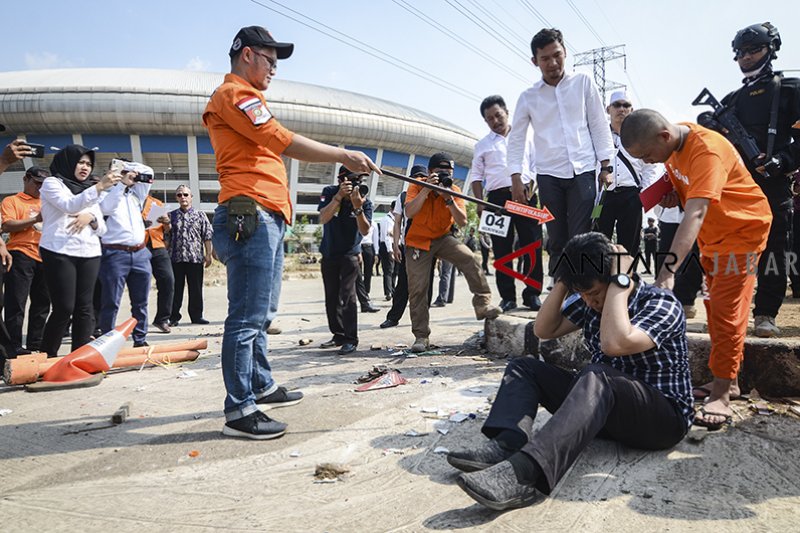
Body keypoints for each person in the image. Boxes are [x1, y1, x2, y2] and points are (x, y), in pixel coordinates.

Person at [203, 25, 378, 439]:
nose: (274, 69)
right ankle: (239, 410)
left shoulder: (248, 98)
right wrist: (343, 154)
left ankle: (260, 386)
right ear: (246, 55)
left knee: (261, 314)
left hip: (265, 213)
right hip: (250, 210)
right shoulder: (235, 95)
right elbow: (279, 138)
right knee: (246, 316)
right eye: (269, 60)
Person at [450, 232, 692, 511]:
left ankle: (526, 473)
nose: (590, 302)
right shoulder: (590, 302)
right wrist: (565, 279)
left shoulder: (660, 303)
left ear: (616, 277)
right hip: (607, 412)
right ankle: (507, 444)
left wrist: (618, 283)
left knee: (597, 374)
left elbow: (614, 343)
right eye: (583, 295)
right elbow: (544, 330)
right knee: (524, 368)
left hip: (662, 421)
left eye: (595, 294)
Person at [621, 109, 771, 429]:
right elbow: (689, 192)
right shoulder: (675, 144)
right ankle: (728, 380)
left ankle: (721, 394)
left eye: (647, 155)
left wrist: (668, 271)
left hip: (743, 231)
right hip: (714, 236)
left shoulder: (707, 150)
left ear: (664, 136)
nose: (648, 162)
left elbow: (695, 215)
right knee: (715, 305)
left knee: (727, 309)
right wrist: (677, 192)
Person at [704, 22, 800, 338]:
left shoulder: (789, 90)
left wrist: (782, 161)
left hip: (773, 183)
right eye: (741, 52)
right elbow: (714, 143)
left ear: (770, 49)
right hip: (737, 188)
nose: (747, 57)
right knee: (732, 253)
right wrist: (708, 126)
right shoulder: (732, 99)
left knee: (775, 248)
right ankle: (733, 311)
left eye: (753, 50)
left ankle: (766, 314)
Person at [507, 28, 615, 279]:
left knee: (580, 237)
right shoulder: (528, 97)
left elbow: (599, 124)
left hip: (584, 172)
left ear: (565, 52)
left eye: (557, 55)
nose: (553, 63)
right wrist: (516, 177)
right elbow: (516, 140)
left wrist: (606, 166)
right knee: (556, 239)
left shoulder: (583, 82)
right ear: (535, 61)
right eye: (545, 58)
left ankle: (584, 295)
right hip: (548, 176)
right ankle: (560, 295)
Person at [404, 152, 500, 352]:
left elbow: (462, 221)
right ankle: (421, 337)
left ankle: (482, 304)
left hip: (442, 238)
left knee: (469, 258)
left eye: (449, 173)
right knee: (418, 289)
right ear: (430, 173)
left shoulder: (453, 189)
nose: (445, 177)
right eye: (441, 173)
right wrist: (427, 189)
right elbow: (409, 212)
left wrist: (448, 199)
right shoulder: (416, 185)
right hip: (418, 242)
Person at [39, 145, 119, 356]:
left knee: (85, 308)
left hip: (89, 253)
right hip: (59, 250)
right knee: (64, 307)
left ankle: (79, 358)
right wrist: (99, 187)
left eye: (89, 164)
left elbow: (102, 228)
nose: (85, 167)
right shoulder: (52, 183)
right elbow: (69, 205)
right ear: (68, 161)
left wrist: (91, 217)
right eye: (81, 162)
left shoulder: (90, 190)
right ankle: (47, 355)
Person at [470, 95, 542, 312]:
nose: (495, 121)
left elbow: (538, 166)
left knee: (532, 246)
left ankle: (532, 294)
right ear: (485, 121)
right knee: (502, 250)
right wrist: (479, 204)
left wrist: (532, 190)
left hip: (525, 198)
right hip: (496, 201)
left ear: (507, 113)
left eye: (498, 115)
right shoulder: (482, 145)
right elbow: (475, 176)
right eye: (489, 118)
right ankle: (507, 297)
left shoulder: (526, 137)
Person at [596, 90, 663, 255]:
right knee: (597, 240)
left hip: (631, 196)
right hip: (602, 196)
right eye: (617, 105)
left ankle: (626, 278)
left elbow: (651, 167)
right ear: (608, 109)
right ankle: (600, 278)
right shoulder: (597, 134)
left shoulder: (641, 135)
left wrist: (643, 195)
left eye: (626, 105)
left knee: (629, 245)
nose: (621, 109)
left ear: (632, 110)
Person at [317, 166, 373, 355]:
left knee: (348, 296)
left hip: (350, 254)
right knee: (331, 297)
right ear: (342, 180)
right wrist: (339, 197)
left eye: (360, 180)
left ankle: (351, 339)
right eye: (353, 179)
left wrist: (358, 207)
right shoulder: (330, 192)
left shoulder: (364, 201)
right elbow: (323, 218)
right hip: (329, 252)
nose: (358, 184)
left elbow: (365, 231)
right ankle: (338, 335)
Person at [97, 161, 154, 348]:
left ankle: (140, 339)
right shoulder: (104, 194)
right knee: (111, 301)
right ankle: (107, 341)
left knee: (141, 302)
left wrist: (127, 165)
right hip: (115, 254)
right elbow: (107, 208)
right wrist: (121, 181)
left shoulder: (136, 195)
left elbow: (149, 172)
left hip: (140, 253)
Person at [2, 166, 50, 355]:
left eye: (44, 185)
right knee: (16, 302)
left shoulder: (48, 202)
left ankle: (35, 342)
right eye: (37, 183)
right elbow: (6, 225)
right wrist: (34, 219)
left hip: (45, 255)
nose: (40, 188)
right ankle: (13, 344)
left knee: (42, 303)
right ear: (26, 179)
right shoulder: (12, 201)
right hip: (21, 254)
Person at [379, 166, 434, 329]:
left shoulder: (433, 194)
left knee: (427, 283)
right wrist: (395, 245)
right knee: (402, 283)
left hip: (428, 245)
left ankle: (424, 317)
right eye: (415, 177)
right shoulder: (402, 197)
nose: (418, 179)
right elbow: (397, 222)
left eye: (421, 176)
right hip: (408, 246)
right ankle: (393, 317)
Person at [165, 185, 213, 326]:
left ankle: (197, 316)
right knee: (176, 289)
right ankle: (173, 317)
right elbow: (166, 237)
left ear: (191, 197)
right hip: (176, 259)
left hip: (195, 258)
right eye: (179, 195)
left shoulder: (200, 215)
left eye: (185, 194)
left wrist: (209, 254)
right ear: (176, 198)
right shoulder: (171, 216)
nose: (183, 197)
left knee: (196, 289)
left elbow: (207, 236)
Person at [143, 195, 175, 333]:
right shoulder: (127, 199)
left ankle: (162, 319)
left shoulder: (156, 203)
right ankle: (138, 321)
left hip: (158, 245)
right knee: (140, 285)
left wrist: (167, 222)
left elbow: (167, 229)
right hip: (138, 245)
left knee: (168, 280)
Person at [378, 204, 396, 301]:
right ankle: (388, 292)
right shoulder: (387, 220)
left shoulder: (396, 219)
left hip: (394, 245)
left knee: (394, 270)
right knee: (388, 270)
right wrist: (390, 250)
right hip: (387, 246)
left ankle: (392, 289)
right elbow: (387, 236)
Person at [360, 217, 379, 295]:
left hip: (369, 246)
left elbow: (375, 238)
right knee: (357, 271)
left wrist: (376, 252)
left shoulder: (373, 223)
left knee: (368, 271)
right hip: (359, 245)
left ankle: (366, 291)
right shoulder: (358, 221)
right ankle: (359, 290)